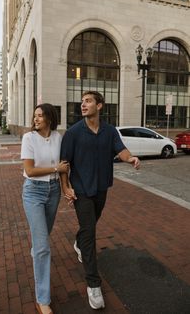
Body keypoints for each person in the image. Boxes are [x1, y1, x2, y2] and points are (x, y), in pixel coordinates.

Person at [60, 91, 140, 310]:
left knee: (90, 226)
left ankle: (79, 242)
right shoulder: (73, 133)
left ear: (100, 105)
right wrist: (66, 187)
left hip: (102, 187)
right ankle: (93, 284)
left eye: (88, 101)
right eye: (82, 102)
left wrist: (130, 157)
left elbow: (120, 150)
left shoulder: (109, 131)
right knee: (90, 231)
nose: (83, 105)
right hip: (82, 190)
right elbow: (64, 163)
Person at [21, 103, 69, 314]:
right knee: (43, 247)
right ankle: (43, 299)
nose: (36, 119)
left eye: (40, 116)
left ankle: (37, 249)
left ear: (50, 117)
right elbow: (30, 171)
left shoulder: (59, 138)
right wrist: (55, 168)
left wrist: (66, 187)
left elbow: (64, 167)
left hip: (54, 191)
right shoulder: (29, 138)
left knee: (44, 235)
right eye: (35, 116)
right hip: (33, 191)